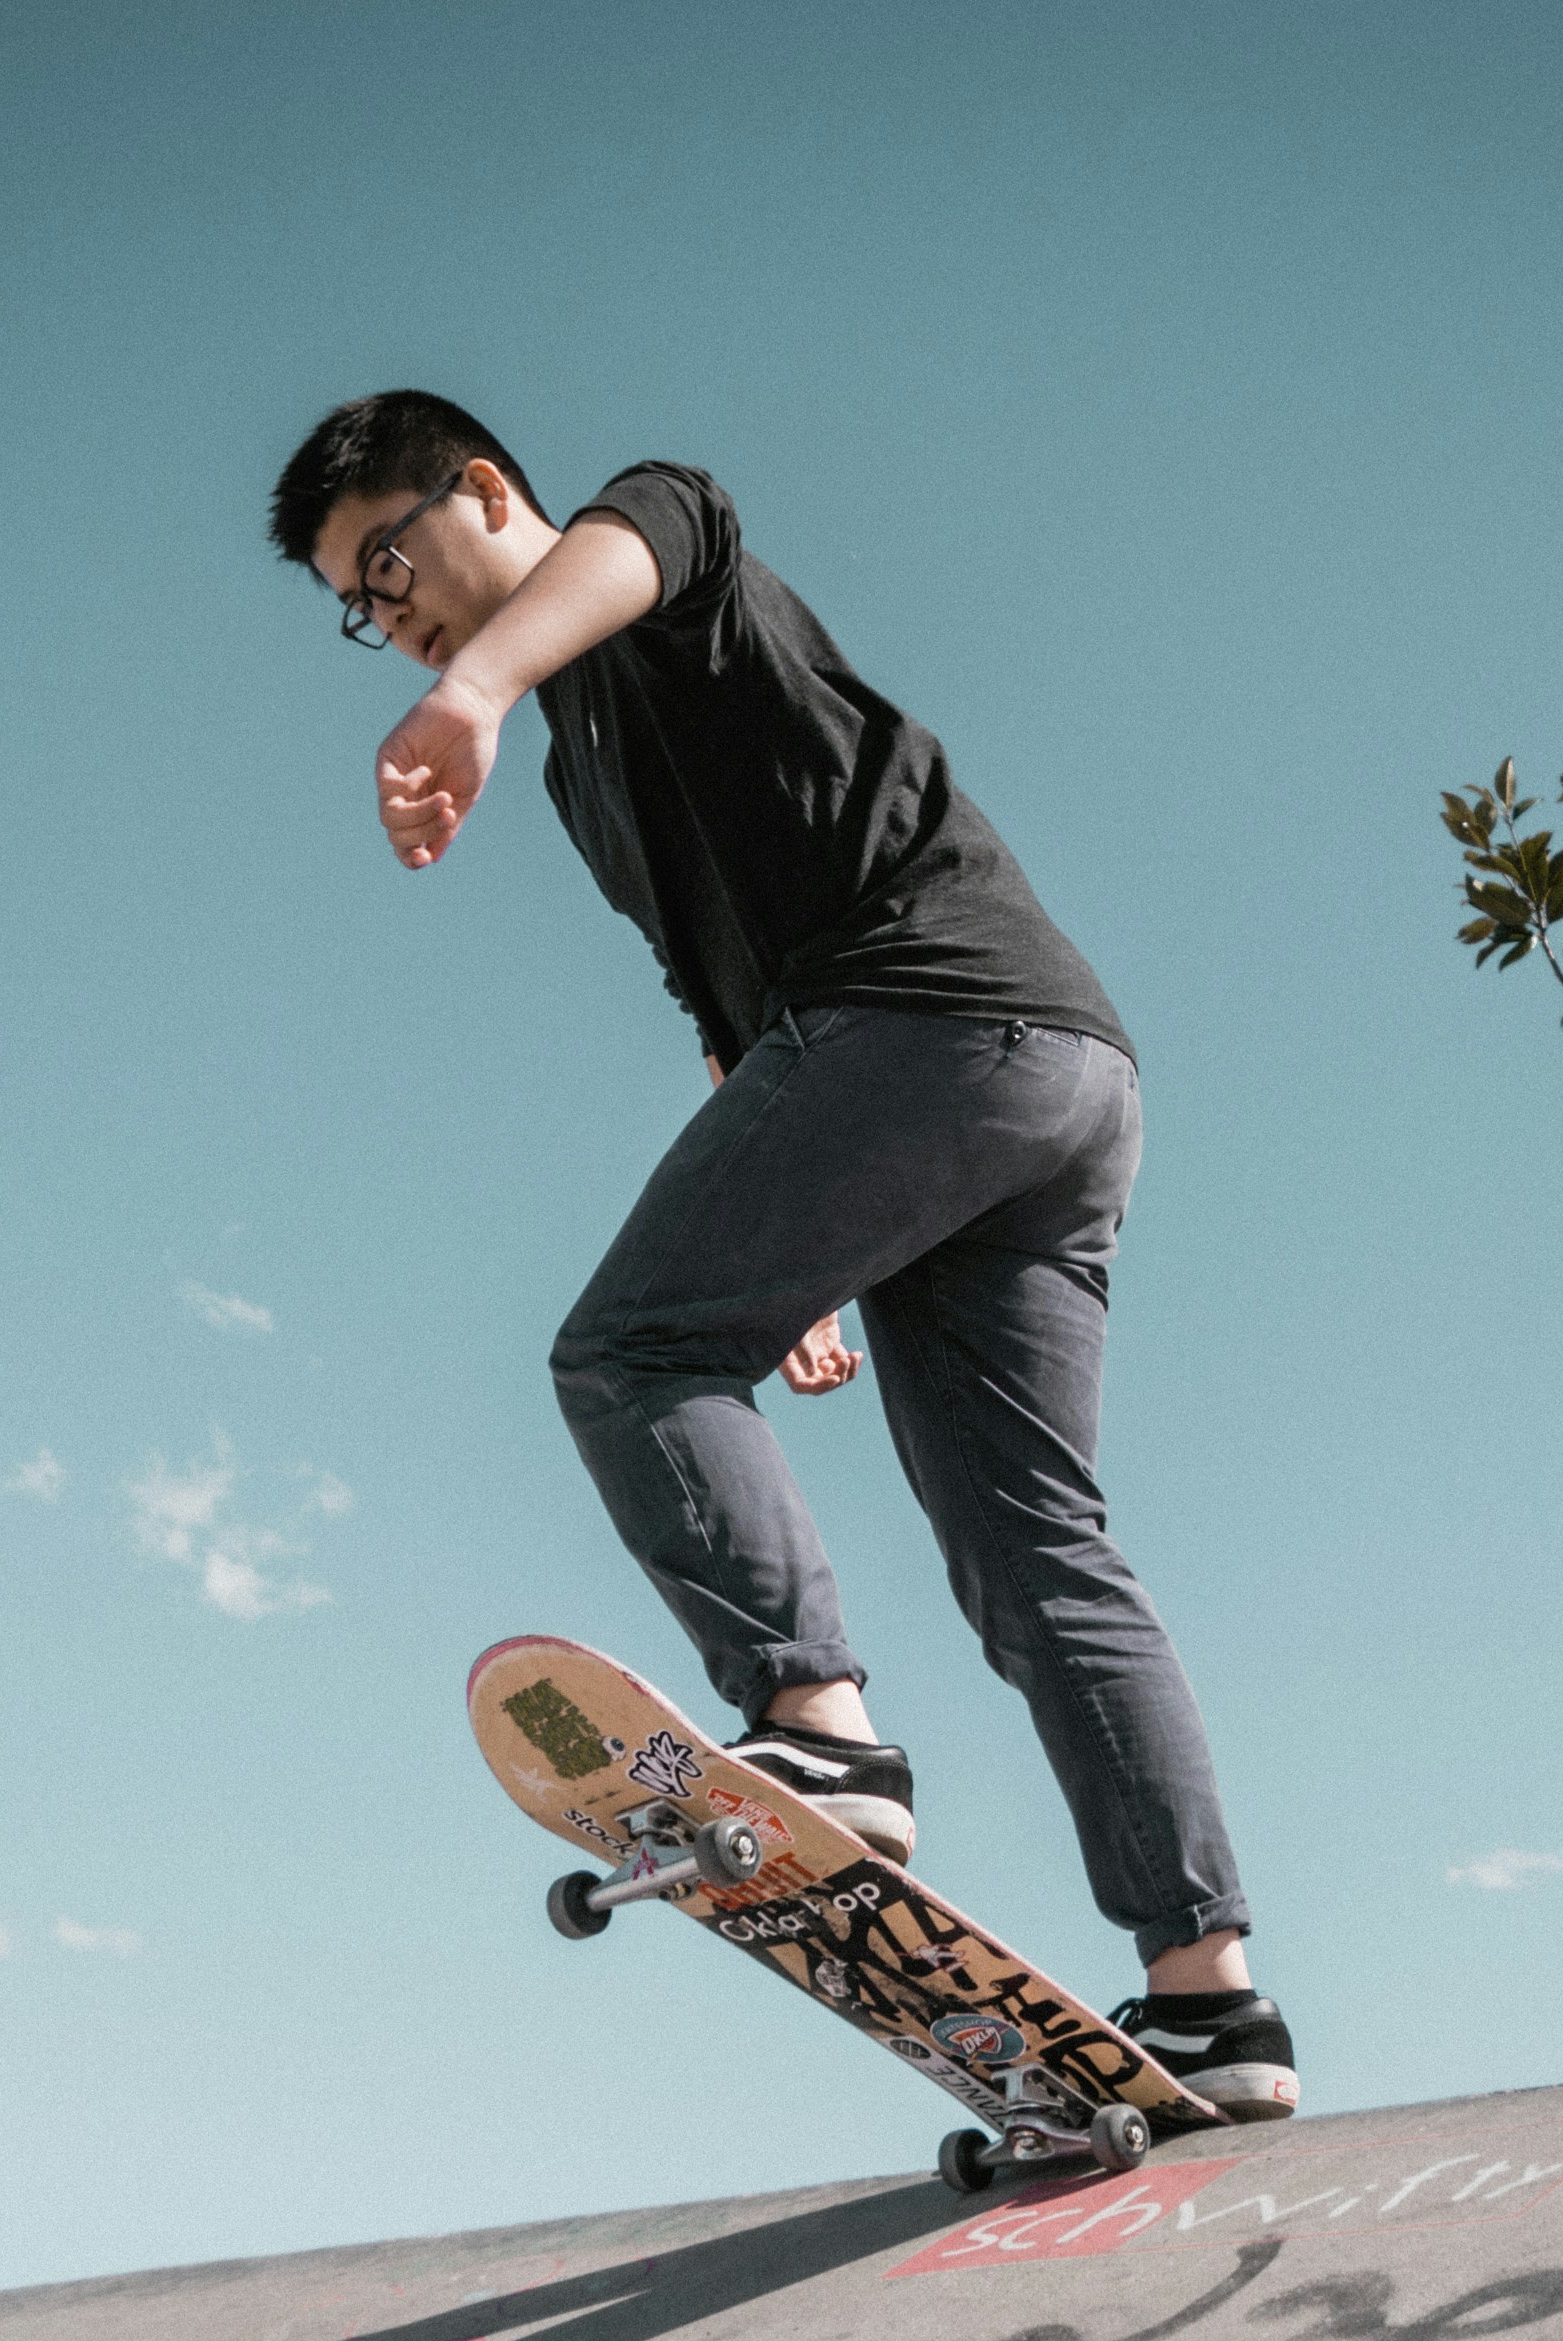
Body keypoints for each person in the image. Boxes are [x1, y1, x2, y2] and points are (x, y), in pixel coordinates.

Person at [267, 392, 1295, 2123]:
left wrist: (478, 683)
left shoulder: (644, 550)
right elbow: (730, 1015)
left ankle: (814, 1721)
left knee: (632, 1354)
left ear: (484, 494)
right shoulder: (595, 784)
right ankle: (1213, 2003)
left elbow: (644, 532)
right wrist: (810, 1249)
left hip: (929, 1026)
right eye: (357, 609)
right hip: (1044, 1077)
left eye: (391, 560)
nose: (391, 617)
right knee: (1036, 1550)